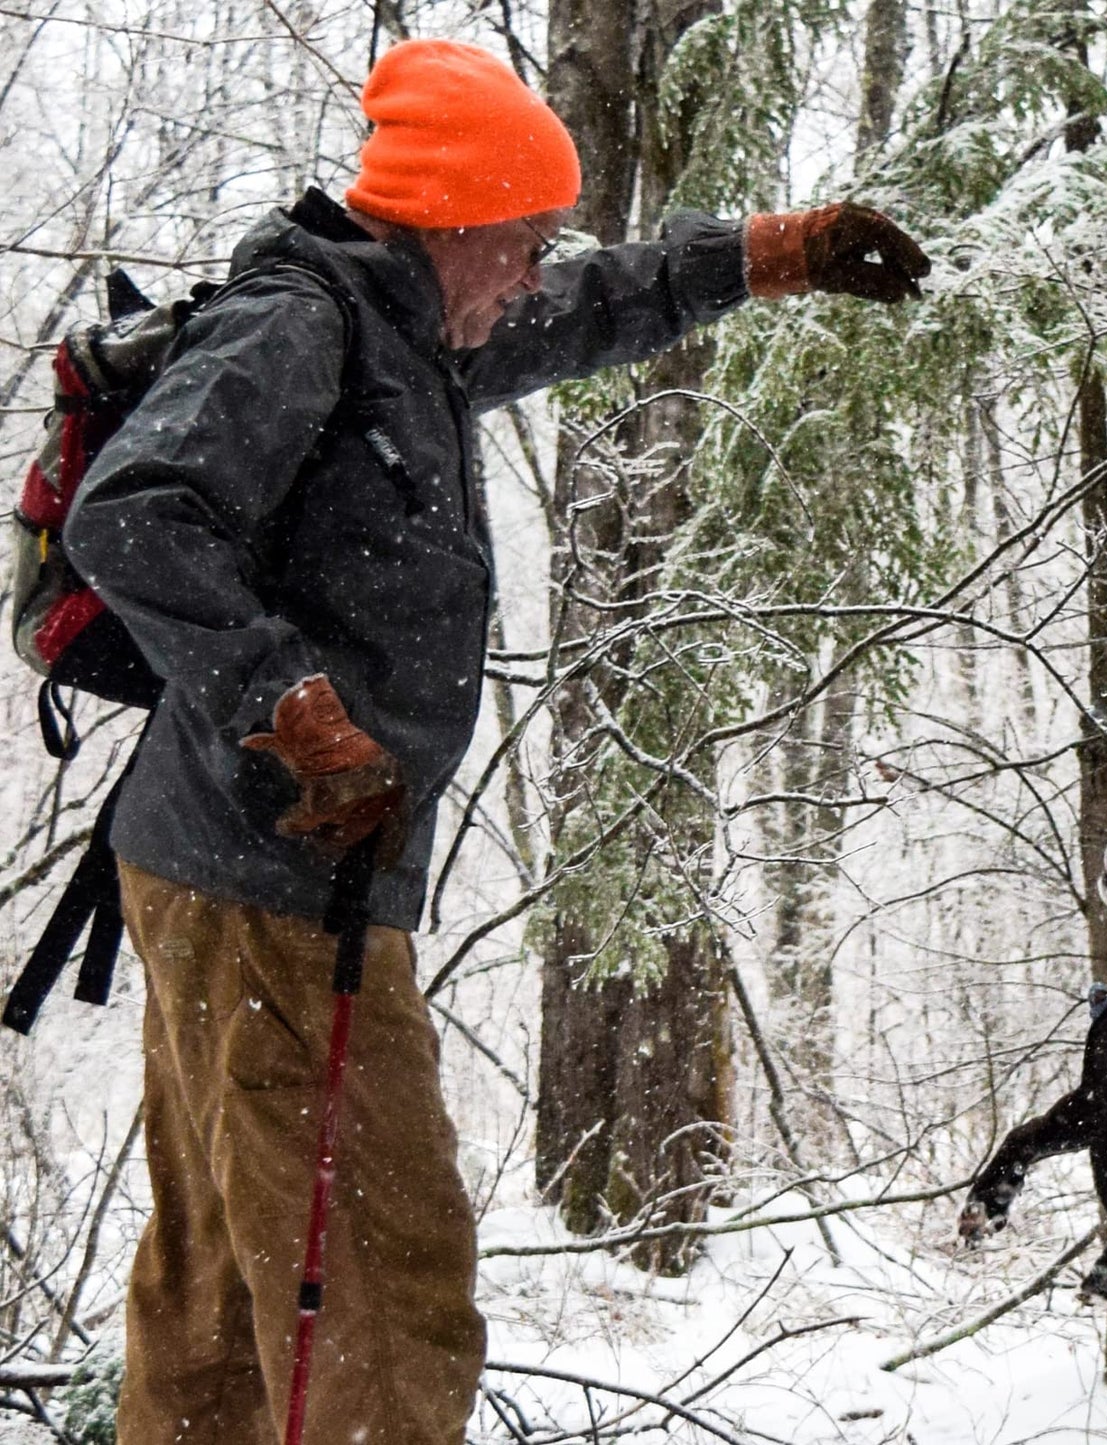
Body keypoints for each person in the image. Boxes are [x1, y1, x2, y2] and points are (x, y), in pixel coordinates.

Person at [64, 36, 930, 1445]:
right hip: (268, 883)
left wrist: (771, 253)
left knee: (227, 1268)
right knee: (380, 1278)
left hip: (239, 876)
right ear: (448, 222)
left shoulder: (410, 328)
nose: (532, 271)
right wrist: (289, 700)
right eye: (520, 241)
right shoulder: (305, 326)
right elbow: (133, 511)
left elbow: (586, 306)